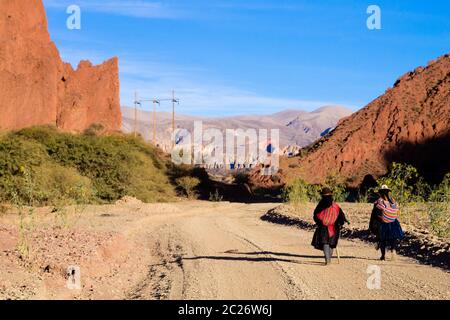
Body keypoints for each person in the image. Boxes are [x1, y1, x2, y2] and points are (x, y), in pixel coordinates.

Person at [311, 188, 349, 265]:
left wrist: (319, 222)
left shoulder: (320, 204)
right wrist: (340, 224)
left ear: (322, 195)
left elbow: (315, 215)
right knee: (331, 243)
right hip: (334, 227)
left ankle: (327, 260)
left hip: (323, 226)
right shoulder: (335, 206)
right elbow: (341, 217)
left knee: (325, 242)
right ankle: (329, 259)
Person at [369, 185, 404, 261]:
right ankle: (393, 251)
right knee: (393, 238)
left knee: (382, 239)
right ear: (388, 192)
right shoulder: (393, 201)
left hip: (383, 222)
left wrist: (372, 225)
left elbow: (375, 214)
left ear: (380, 193)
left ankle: (383, 256)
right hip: (393, 222)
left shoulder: (378, 202)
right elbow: (397, 211)